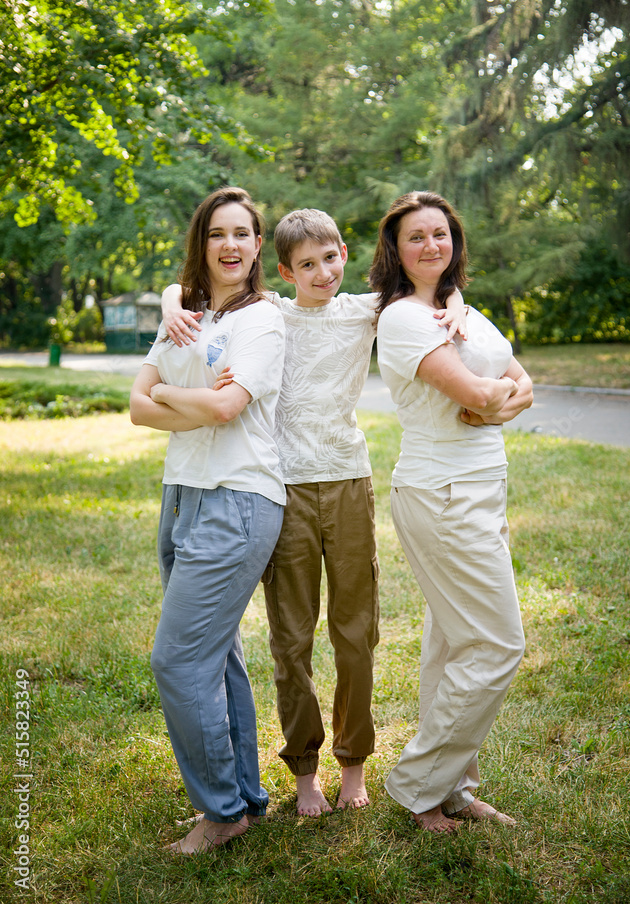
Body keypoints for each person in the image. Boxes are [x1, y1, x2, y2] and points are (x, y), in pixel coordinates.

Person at [161, 207, 467, 817]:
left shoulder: (367, 310)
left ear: (345, 255)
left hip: (350, 482)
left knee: (356, 633)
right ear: (284, 270)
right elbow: (200, 290)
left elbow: (429, 289)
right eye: (306, 265)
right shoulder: (267, 314)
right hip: (286, 489)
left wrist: (454, 303)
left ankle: (354, 763)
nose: (322, 273)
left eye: (330, 259)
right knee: (291, 638)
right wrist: (172, 297)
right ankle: (304, 771)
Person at [368, 190, 533, 833]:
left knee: (451, 643)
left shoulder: (462, 311)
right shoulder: (405, 319)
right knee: (496, 644)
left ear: (455, 242)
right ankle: (417, 785)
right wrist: (494, 399)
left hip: (481, 489)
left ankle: (452, 786)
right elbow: (476, 391)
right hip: (443, 494)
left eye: (441, 234)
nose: (432, 245)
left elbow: (523, 385)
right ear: (395, 250)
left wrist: (499, 400)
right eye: (416, 237)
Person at [129, 187, 286, 854]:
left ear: (257, 246)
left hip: (238, 496)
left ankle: (220, 812)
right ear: (204, 243)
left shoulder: (262, 321)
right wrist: (175, 393)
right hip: (183, 494)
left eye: (242, 234)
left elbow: (227, 409)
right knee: (215, 657)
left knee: (177, 660)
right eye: (217, 233)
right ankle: (243, 798)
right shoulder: (187, 314)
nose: (230, 245)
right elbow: (134, 408)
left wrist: (166, 392)